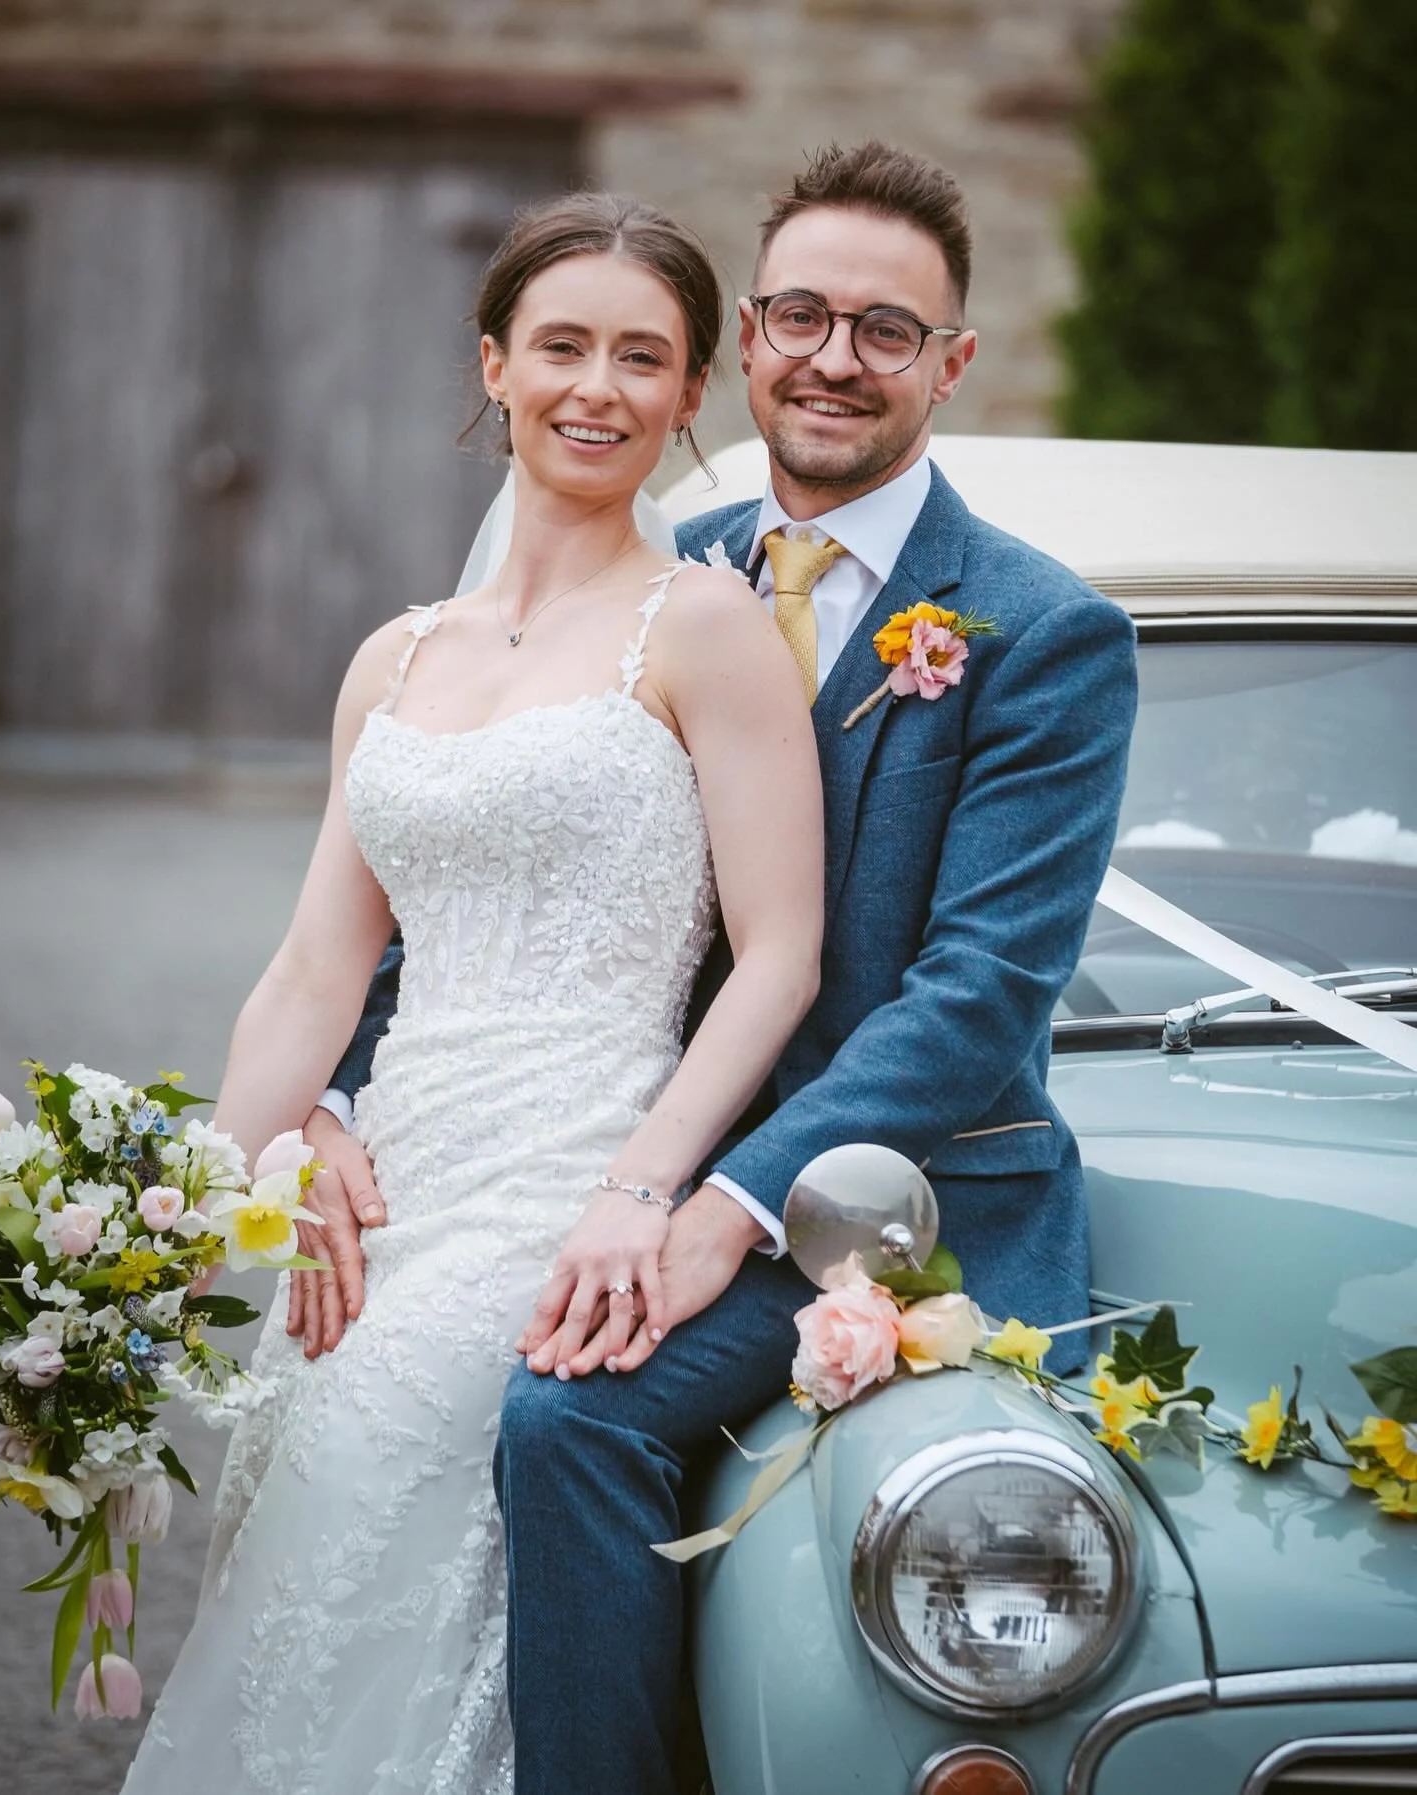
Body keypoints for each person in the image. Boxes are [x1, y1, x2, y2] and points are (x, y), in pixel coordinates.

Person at [303, 142, 1139, 1795]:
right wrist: (336, 1097)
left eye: (887, 330)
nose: (836, 357)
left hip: (897, 1207)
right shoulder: (661, 565)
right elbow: (478, 863)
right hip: (602, 1139)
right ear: (746, 338)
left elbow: (977, 994)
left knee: (568, 1410)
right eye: (805, 315)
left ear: (952, 364)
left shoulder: (1041, 632)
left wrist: (724, 1206)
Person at [119, 191, 825, 1795]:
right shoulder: (396, 655)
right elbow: (318, 964)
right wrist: (185, 1218)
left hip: (577, 1162)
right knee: (297, 1507)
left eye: (644, 356)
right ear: (493, 363)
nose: (600, 386)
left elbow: (780, 953)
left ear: (690, 393)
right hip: (398, 1166)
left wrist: (646, 1184)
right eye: (563, 344)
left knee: (388, 1469)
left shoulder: (705, 630)